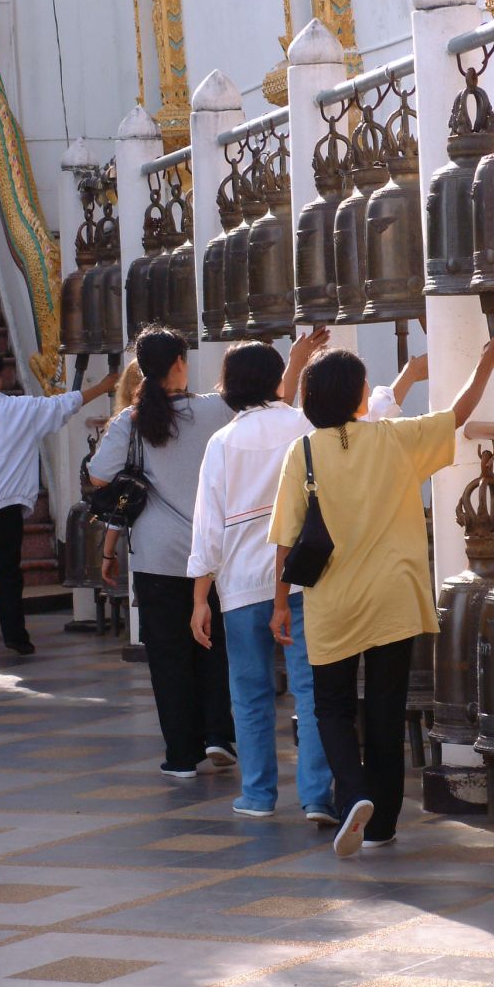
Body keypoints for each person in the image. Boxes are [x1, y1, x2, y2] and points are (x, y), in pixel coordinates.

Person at [268, 327, 494, 857]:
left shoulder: (302, 454)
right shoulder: (394, 439)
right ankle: (381, 826)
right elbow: (457, 415)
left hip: (334, 600)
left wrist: (281, 603)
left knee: (331, 707)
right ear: (357, 396)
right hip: (395, 598)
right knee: (384, 708)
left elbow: (287, 541)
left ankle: (352, 793)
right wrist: (487, 362)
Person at [189, 339, 426, 821]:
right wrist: (406, 377)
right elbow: (373, 416)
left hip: (239, 585)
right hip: (301, 580)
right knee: (312, 693)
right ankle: (317, 796)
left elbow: (207, 527)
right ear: (279, 378)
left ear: (230, 387)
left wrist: (199, 597)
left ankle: (257, 794)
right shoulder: (303, 425)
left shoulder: (222, 443)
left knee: (249, 691)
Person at [94, 325, 327, 782]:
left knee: (168, 656)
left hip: (157, 556)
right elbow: (272, 403)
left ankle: (181, 755)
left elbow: (101, 477)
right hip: (214, 557)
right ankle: (220, 735)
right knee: (216, 646)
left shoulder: (131, 421)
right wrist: (296, 357)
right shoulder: (214, 411)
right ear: (180, 363)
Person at [0, 350, 117, 660]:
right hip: (4, 510)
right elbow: (64, 405)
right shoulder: (18, 409)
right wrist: (106, 384)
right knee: (7, 575)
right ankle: (16, 636)